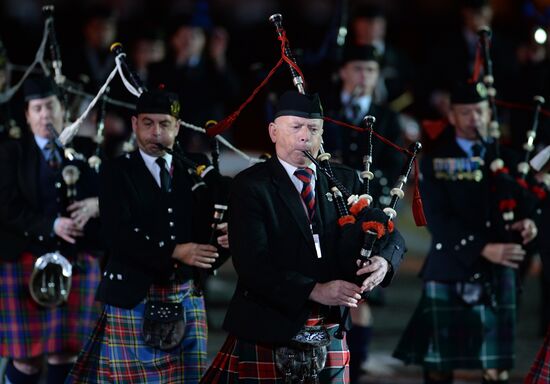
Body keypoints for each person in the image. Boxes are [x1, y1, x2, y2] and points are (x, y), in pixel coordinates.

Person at [201, 90, 406, 383]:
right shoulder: (250, 186)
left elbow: (389, 233)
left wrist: (384, 261)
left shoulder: (345, 180)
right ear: (273, 132)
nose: (304, 137)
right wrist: (316, 289)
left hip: (329, 326)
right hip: (268, 324)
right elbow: (251, 263)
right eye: (295, 127)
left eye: (313, 129)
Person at [66, 88, 229, 383]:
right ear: (134, 124)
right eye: (148, 123)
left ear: (177, 127)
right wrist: (174, 251)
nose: (156, 133)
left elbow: (210, 231)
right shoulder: (117, 171)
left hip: (185, 294)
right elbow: (116, 235)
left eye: (164, 124)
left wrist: (226, 239)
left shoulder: (195, 169)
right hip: (133, 295)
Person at [393, 82, 538, 384]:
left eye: (479, 112)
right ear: (453, 116)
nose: (474, 118)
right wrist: (482, 248)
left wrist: (528, 223)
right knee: (438, 367)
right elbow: (437, 218)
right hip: (451, 266)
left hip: (498, 271)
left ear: (489, 115)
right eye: (466, 112)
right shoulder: (434, 161)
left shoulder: (508, 159)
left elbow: (524, 203)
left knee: (496, 369)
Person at [0, 76, 101, 384]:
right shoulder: (10, 154)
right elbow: (5, 208)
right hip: (24, 260)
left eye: (51, 106)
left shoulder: (87, 150)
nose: (45, 114)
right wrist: (52, 225)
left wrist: (99, 202)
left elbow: (117, 192)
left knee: (66, 352)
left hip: (77, 261)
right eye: (38, 108)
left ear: (63, 109)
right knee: (26, 358)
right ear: (27, 115)